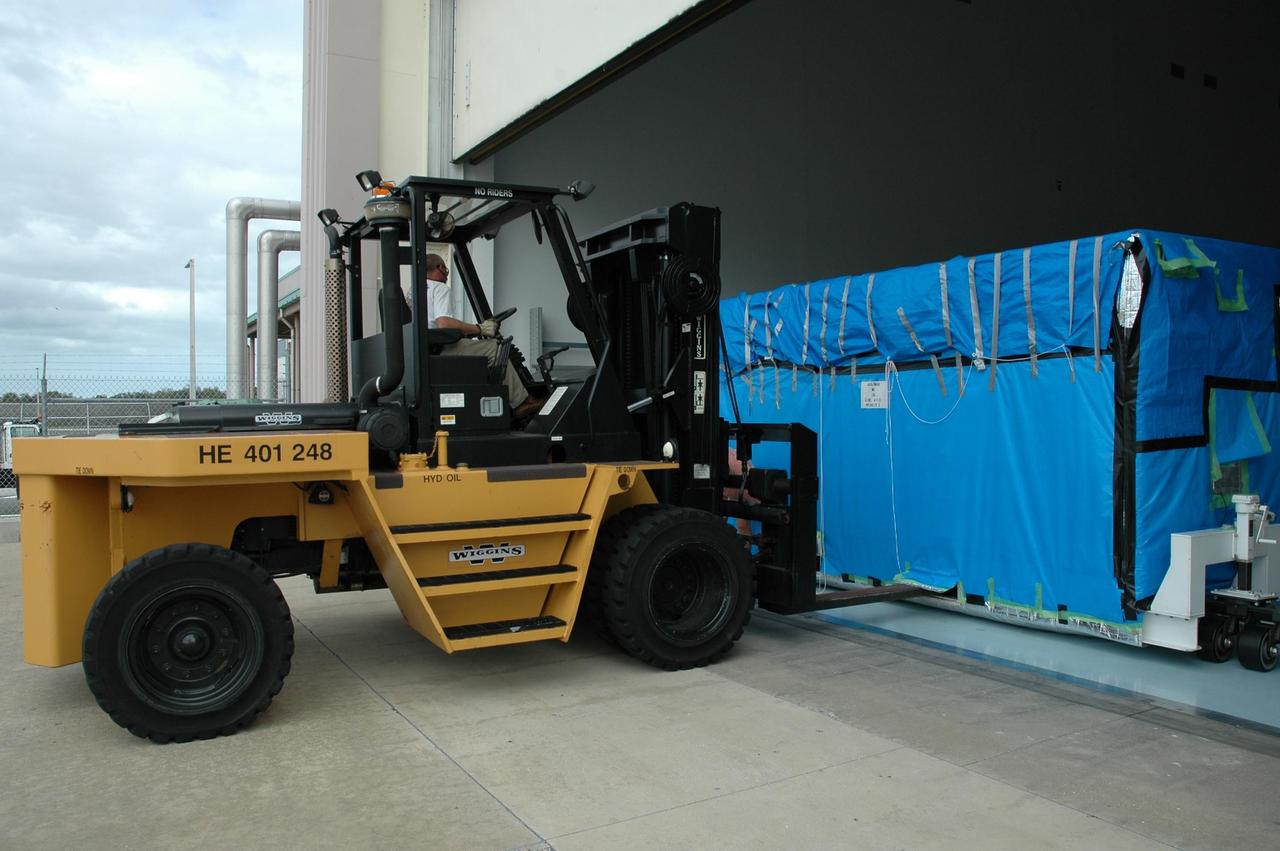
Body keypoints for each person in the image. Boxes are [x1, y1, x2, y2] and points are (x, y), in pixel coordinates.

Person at [420, 252, 539, 418]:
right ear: (439, 268)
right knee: (495, 348)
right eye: (446, 270)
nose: (446, 275)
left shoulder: (415, 291)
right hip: (441, 350)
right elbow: (444, 324)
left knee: (479, 347)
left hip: (426, 350)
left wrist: (467, 333)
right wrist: (480, 329)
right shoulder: (439, 288)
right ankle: (521, 403)